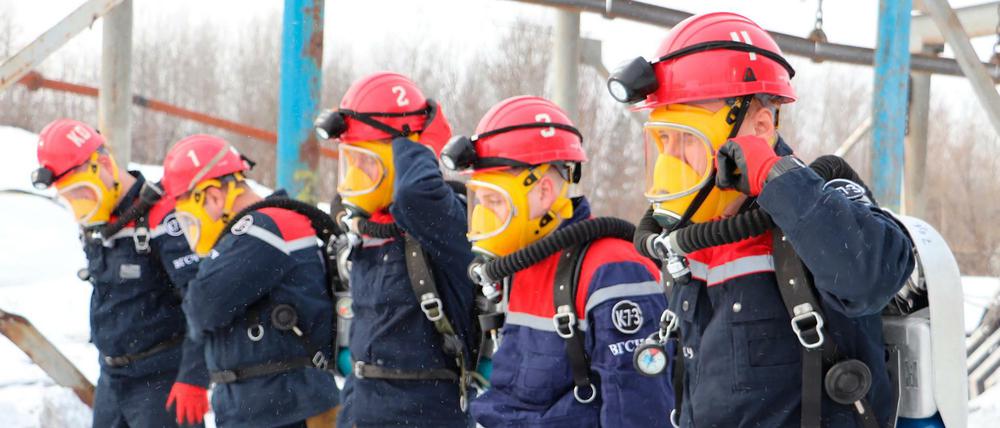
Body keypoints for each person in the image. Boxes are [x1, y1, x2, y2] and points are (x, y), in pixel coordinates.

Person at [607, 12, 915, 427]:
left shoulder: (825, 198)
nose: (670, 161)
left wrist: (774, 176)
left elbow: (872, 274)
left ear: (760, 127)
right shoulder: (693, 234)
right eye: (664, 141)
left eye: (686, 139)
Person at [441, 95, 675, 426]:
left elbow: (640, 412)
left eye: (494, 201)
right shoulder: (518, 265)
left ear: (544, 191)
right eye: (480, 201)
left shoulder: (613, 269)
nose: (483, 217)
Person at [312, 71, 478, 427]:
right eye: (351, 161)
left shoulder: (443, 221)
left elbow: (416, 193)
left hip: (425, 414)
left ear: (401, 160)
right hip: (363, 406)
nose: (354, 177)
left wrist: (422, 143)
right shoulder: (369, 229)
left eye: (367, 162)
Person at [33, 119, 209, 427]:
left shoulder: (161, 218)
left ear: (103, 165)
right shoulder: (97, 225)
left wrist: (194, 377)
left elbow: (201, 301)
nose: (80, 203)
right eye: (70, 196)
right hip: (112, 378)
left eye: (82, 191)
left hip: (161, 380)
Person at [161, 134, 339, 427]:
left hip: (284, 406)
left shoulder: (263, 228)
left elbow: (202, 307)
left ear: (213, 196)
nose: (191, 229)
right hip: (269, 403)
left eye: (189, 218)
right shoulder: (263, 226)